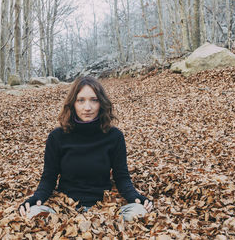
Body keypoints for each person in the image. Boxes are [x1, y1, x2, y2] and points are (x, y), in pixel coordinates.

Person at [19, 76, 153, 221]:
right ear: (73, 103)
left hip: (104, 209)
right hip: (65, 208)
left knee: (139, 212)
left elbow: (122, 177)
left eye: (94, 100)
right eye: (81, 100)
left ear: (101, 103)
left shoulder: (114, 136)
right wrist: (36, 198)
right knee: (32, 214)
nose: (87, 107)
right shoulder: (57, 137)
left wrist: (135, 197)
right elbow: (48, 178)